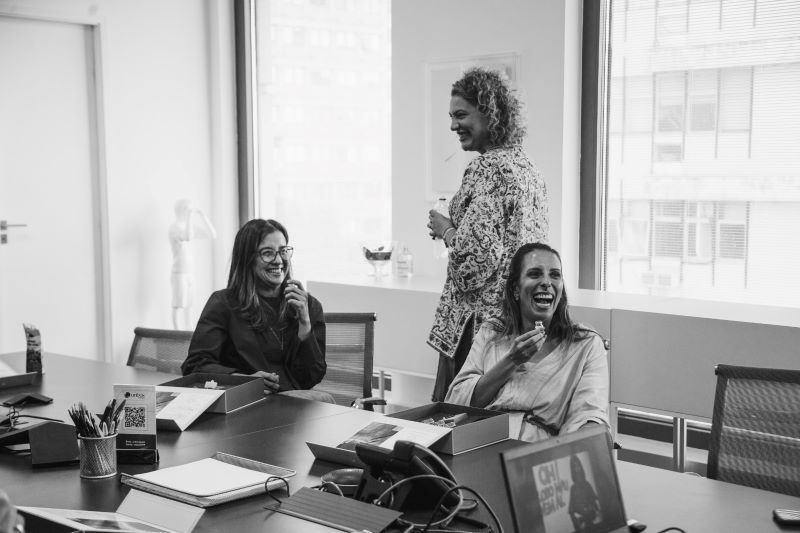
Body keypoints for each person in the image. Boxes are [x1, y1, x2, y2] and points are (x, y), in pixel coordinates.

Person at [427, 66, 549, 401]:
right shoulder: (529, 169)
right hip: (515, 325)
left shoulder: (486, 169)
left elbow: (472, 263)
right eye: (452, 116)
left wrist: (447, 229)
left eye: (461, 115)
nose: (453, 125)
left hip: (477, 331)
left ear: (489, 112)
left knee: (454, 426)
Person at [445, 243, 609, 442]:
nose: (546, 282)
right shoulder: (492, 333)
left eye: (555, 275)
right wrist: (512, 360)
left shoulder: (585, 344)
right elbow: (456, 402)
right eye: (535, 274)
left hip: (542, 456)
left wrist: (588, 439)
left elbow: (590, 415)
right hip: (481, 445)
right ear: (516, 288)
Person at [181, 219, 333, 402]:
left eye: (283, 251)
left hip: (295, 406)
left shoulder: (307, 305)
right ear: (247, 258)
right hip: (244, 404)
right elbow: (195, 366)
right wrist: (243, 380)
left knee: (323, 400)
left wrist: (305, 324)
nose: (279, 260)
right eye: (268, 253)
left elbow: (310, 378)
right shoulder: (223, 303)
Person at [169, 198, 217, 330]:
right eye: (187, 209)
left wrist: (203, 217)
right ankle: (177, 333)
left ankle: (189, 330)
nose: (190, 211)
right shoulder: (174, 228)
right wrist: (190, 216)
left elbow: (212, 235)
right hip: (179, 272)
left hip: (190, 272)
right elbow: (188, 237)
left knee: (189, 304)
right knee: (178, 304)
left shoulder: (188, 227)